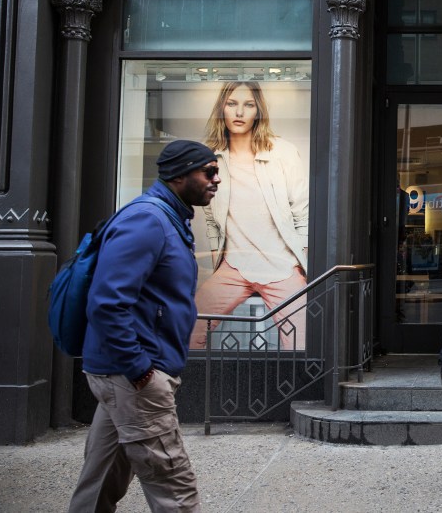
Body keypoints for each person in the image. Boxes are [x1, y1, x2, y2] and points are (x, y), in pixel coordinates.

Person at [68, 140, 220, 512]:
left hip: (123, 374)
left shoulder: (168, 217)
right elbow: (107, 302)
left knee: (101, 481)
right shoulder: (148, 220)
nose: (216, 180)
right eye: (209, 172)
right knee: (174, 486)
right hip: (131, 376)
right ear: (179, 175)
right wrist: (139, 369)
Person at [189, 81, 309, 351]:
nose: (240, 112)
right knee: (189, 331)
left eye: (248, 105)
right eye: (232, 104)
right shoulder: (211, 157)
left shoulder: (283, 152)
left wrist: (299, 263)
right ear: (222, 108)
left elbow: (303, 214)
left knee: (302, 345)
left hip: (282, 267)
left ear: (258, 111)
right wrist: (219, 260)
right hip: (234, 267)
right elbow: (211, 218)